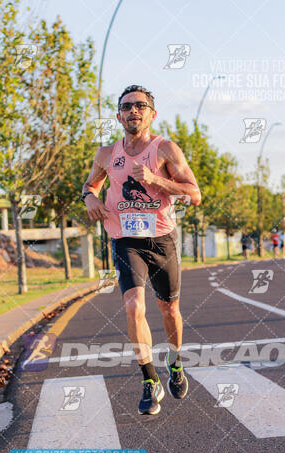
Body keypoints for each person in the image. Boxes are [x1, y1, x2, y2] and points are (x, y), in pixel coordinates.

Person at [81, 85, 201, 416]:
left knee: (169, 310)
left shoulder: (166, 150)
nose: (133, 111)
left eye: (140, 106)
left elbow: (194, 193)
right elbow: (90, 185)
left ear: (152, 113)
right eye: (126, 107)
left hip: (161, 239)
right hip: (125, 239)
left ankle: (175, 363)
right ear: (119, 115)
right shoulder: (106, 154)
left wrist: (156, 180)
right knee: (133, 306)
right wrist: (90, 197)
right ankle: (150, 379)